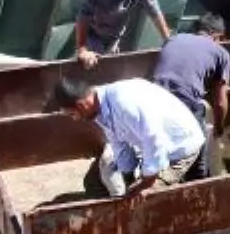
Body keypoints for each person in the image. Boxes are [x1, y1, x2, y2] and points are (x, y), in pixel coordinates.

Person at [47, 78, 205, 197]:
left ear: (81, 105)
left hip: (179, 146)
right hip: (147, 145)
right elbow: (118, 143)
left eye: (72, 114)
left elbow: (154, 139)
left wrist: (145, 183)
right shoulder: (98, 107)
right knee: (94, 182)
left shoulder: (123, 103)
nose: (74, 119)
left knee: (147, 196)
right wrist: (127, 177)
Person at [151, 13, 230, 181]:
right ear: (218, 36)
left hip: (154, 97)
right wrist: (218, 127)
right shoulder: (221, 53)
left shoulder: (174, 39)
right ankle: (196, 186)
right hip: (185, 103)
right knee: (197, 153)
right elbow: (220, 102)